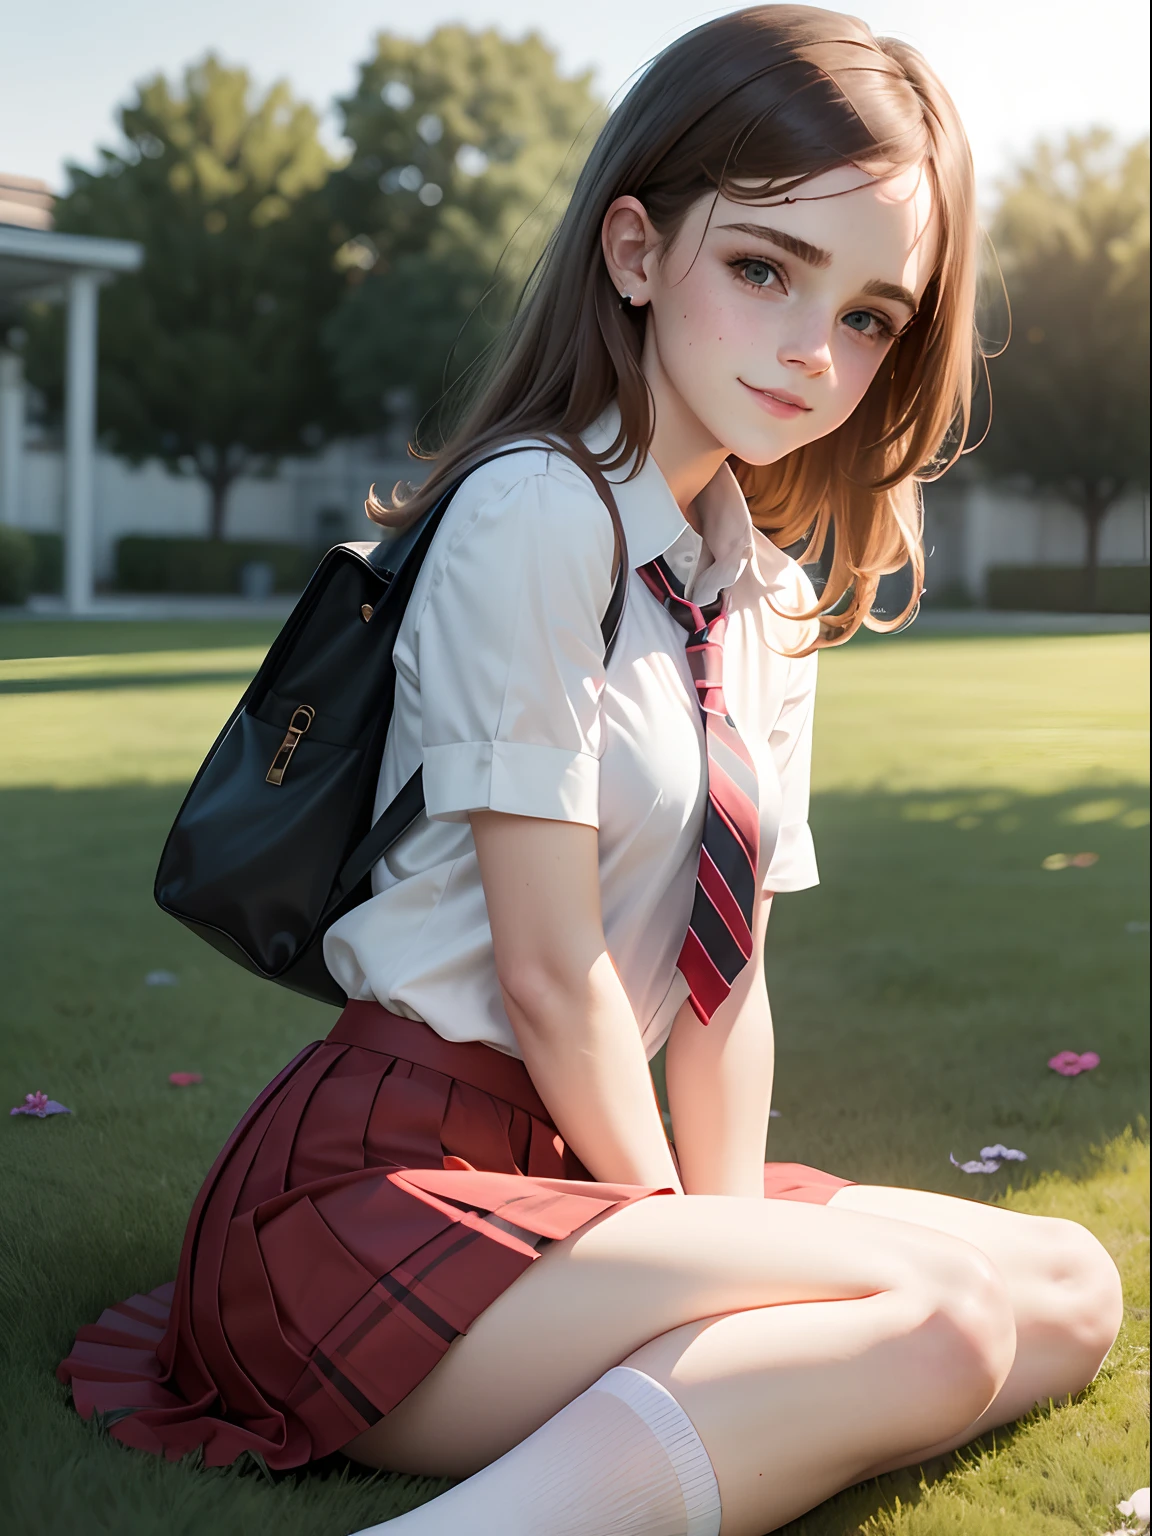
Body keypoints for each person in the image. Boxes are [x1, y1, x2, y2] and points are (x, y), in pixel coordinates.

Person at [58, 8, 1124, 1534]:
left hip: (575, 1169)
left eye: (874, 314)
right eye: (764, 268)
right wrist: (705, 1251)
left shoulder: (757, 592)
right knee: (943, 1319)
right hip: (382, 1186)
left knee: (1067, 1290)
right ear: (636, 251)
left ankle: (715, 1411)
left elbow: (726, 987)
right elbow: (558, 983)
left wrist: (727, 1237)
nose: (816, 349)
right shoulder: (537, 512)